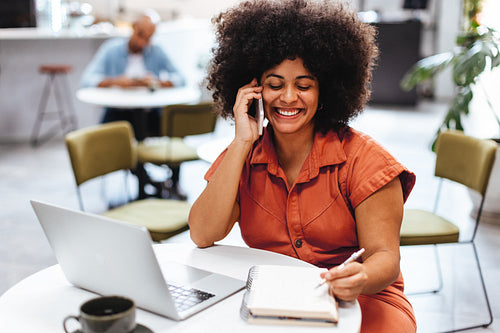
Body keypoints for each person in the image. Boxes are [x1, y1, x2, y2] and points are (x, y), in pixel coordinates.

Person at [188, 0, 417, 332]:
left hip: (362, 298)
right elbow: (202, 234)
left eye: (304, 85)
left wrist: (362, 276)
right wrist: (240, 142)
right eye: (275, 84)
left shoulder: (364, 159)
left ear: (324, 90)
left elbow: (386, 257)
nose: (289, 97)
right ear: (254, 89)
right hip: (274, 297)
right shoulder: (244, 155)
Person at [80, 11, 185, 140]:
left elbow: (181, 78)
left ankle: (140, 158)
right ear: (133, 26)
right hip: (118, 111)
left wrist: (156, 82)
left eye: (148, 38)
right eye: (140, 35)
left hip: (150, 112)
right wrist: (116, 82)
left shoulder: (157, 51)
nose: (142, 43)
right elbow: (88, 79)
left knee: (173, 133)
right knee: (99, 141)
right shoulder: (111, 49)